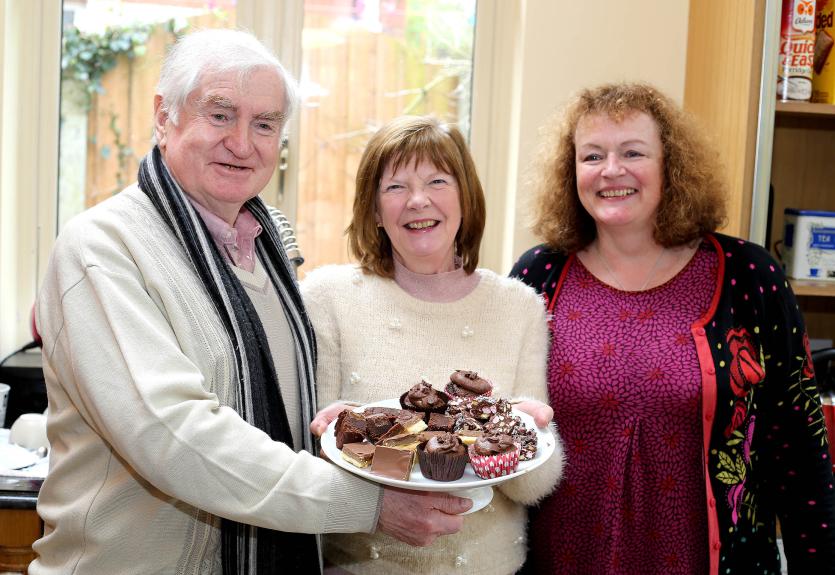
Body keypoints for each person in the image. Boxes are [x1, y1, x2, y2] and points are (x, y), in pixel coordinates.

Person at [32, 30, 469, 575]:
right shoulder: (102, 248)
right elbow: (173, 435)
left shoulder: (267, 252)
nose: (243, 143)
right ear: (163, 116)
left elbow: (279, 412)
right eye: (220, 115)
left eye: (265, 124)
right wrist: (369, 504)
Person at [511, 81, 835, 574]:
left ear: (672, 167)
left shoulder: (748, 276)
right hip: (563, 560)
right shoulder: (540, 275)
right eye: (592, 155)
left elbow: (800, 452)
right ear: (570, 171)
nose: (611, 171)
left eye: (633, 152)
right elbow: (501, 429)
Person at [302, 115, 564, 575]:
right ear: (375, 210)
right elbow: (310, 465)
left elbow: (532, 487)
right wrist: (336, 436)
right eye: (395, 187)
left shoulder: (519, 306)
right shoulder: (327, 298)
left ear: (466, 196)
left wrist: (530, 431)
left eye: (437, 180)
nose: (418, 200)